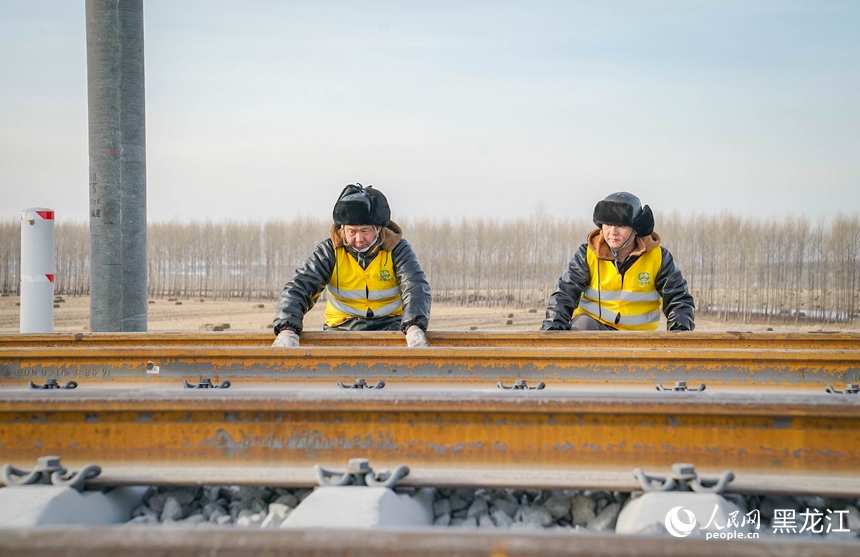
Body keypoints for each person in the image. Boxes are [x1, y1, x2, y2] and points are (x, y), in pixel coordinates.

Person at [272, 184, 432, 347]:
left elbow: (415, 286)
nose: (359, 238)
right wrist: (287, 330)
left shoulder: (398, 249)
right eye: (352, 231)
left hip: (391, 328)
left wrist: (414, 327)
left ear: (379, 229)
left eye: (365, 230)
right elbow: (300, 287)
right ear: (342, 229)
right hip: (340, 329)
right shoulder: (329, 251)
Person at [542, 192, 695, 331]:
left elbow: (679, 299)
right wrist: (552, 333)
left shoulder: (659, 257)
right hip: (594, 331)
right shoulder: (587, 254)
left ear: (636, 228)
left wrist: (679, 336)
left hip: (640, 340)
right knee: (581, 324)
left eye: (621, 225)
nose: (612, 232)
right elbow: (564, 294)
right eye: (608, 225)